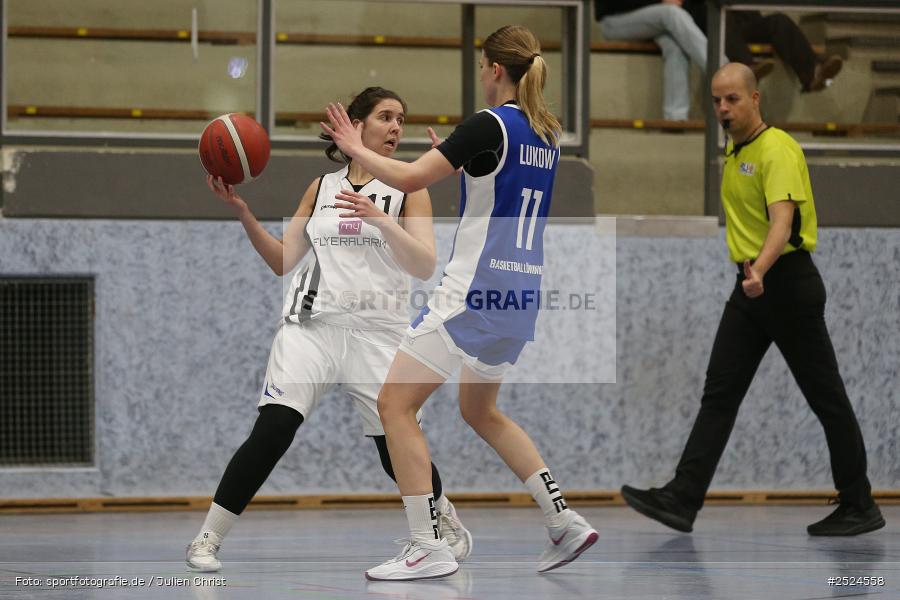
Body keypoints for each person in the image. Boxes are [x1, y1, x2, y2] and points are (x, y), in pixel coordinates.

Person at [322, 25, 598, 582]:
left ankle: (426, 543)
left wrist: (354, 149)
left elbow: (409, 176)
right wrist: (463, 159)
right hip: (521, 293)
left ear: (495, 69)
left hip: (473, 293)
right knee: (481, 411)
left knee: (393, 406)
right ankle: (562, 518)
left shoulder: (488, 124)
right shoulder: (548, 134)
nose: (480, 74)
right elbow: (496, 186)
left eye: (481, 66)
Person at [185, 87, 472, 572]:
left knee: (392, 447)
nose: (397, 128)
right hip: (311, 326)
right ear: (356, 125)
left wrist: (383, 221)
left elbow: (424, 264)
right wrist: (243, 213)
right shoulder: (320, 188)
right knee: (274, 427)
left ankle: (440, 515)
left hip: (378, 332)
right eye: (386, 117)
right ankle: (207, 538)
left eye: (401, 119)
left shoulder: (409, 187)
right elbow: (283, 260)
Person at [620, 63, 885, 537]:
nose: (722, 108)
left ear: (755, 99)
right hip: (752, 286)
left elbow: (782, 222)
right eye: (717, 100)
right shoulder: (736, 149)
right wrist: (753, 275)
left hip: (784, 284)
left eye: (732, 99)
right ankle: (682, 498)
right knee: (719, 393)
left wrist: (760, 268)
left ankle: (858, 503)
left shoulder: (776, 148)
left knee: (827, 398)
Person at [595, 0, 708, 121]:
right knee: (671, 13)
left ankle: (675, 118)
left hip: (654, 17)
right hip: (614, 19)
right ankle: (722, 70)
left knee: (675, 45)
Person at [724, 10, 843, 93]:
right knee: (722, 17)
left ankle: (813, 73)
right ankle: (748, 71)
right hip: (719, 23)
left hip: (744, 25)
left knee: (779, 21)